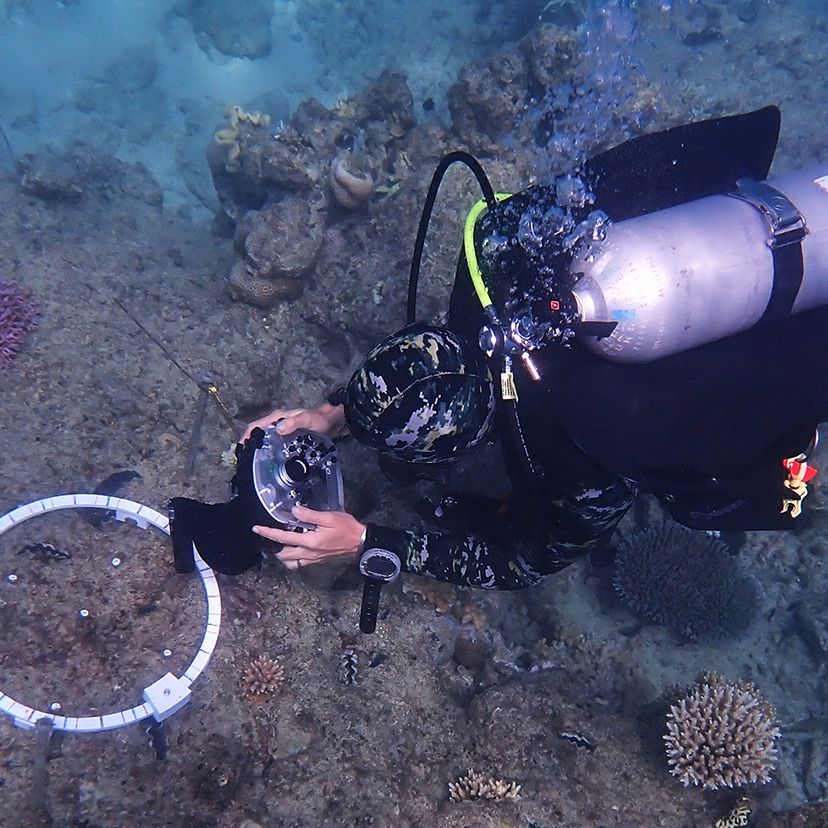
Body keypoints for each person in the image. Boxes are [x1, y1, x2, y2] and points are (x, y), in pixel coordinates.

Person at [242, 106, 828, 588]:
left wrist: (371, 541)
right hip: (763, 220)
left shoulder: (584, 456)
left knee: (697, 503)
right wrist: (335, 413)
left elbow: (521, 563)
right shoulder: (497, 253)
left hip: (794, 348)